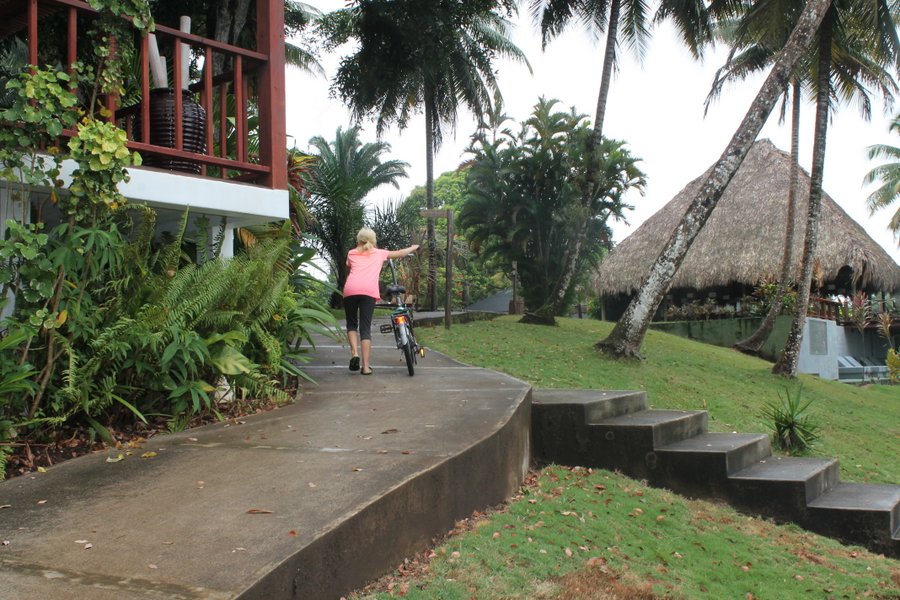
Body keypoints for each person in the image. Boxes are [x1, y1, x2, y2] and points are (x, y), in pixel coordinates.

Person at [343, 227, 418, 375]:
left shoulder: (351, 253)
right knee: (365, 328)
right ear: (373, 240)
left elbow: (348, 266)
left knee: (352, 324)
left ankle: (354, 354)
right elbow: (400, 253)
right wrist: (413, 247)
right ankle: (365, 367)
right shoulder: (379, 253)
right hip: (368, 292)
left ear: (358, 239)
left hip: (350, 290)